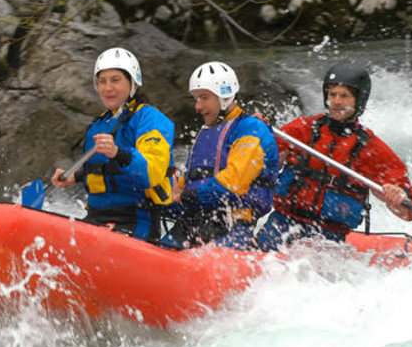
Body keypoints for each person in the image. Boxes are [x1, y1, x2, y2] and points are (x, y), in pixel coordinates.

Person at [257, 61, 412, 250]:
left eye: (344, 96)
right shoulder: (302, 129)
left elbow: (409, 210)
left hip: (330, 236)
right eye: (332, 95)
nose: (336, 101)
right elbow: (259, 161)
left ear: (359, 100)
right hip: (283, 223)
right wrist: (256, 134)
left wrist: (398, 195)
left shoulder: (370, 148)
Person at [50, 47, 174, 241]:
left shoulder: (150, 118)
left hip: (135, 218)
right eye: (102, 81)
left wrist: (117, 152)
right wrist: (75, 176)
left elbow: (152, 172)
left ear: (133, 83)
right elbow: (105, 169)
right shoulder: (101, 123)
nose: (107, 88)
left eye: (115, 80)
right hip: (97, 217)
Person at [162, 62, 280, 250]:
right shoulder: (205, 134)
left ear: (225, 96)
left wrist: (188, 196)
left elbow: (235, 182)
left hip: (233, 225)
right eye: (196, 98)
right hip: (193, 221)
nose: (197, 106)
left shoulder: (251, 129)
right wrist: (164, 197)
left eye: (204, 98)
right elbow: (184, 188)